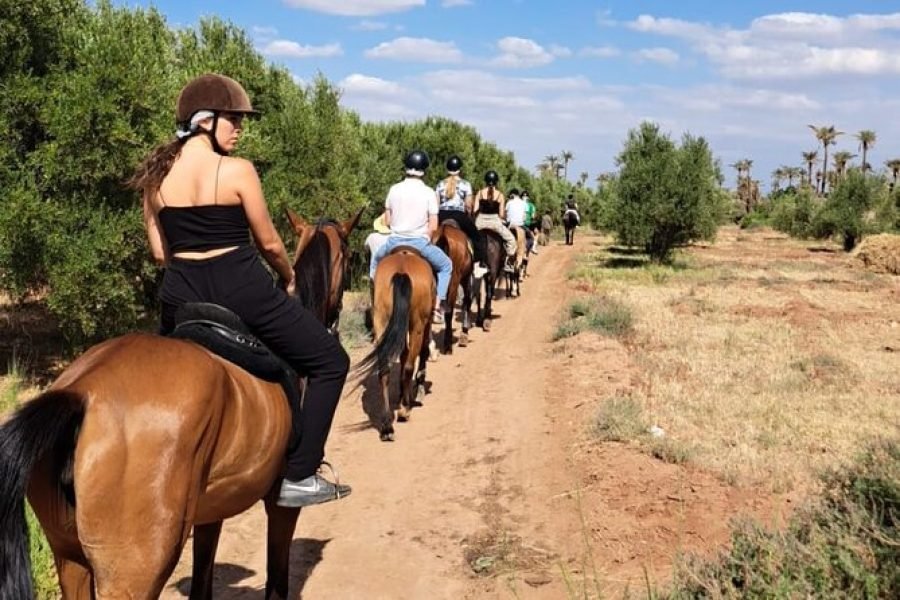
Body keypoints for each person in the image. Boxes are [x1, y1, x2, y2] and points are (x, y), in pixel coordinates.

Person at [129, 73, 351, 508]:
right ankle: (301, 474)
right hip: (241, 287)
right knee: (330, 360)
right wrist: (288, 276)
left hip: (181, 295)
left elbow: (159, 253)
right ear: (205, 120)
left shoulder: (155, 179)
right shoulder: (237, 170)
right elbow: (269, 242)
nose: (240, 128)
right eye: (234, 119)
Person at [368, 150, 453, 324]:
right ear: (424, 170)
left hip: (393, 241)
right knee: (446, 265)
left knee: (375, 262)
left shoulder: (394, 189)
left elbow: (388, 220)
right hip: (419, 243)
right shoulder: (429, 192)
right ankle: (437, 306)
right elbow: (433, 225)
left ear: (406, 167)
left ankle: (376, 302)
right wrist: (426, 236)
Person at [435, 155, 488, 278]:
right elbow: (469, 205)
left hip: (441, 215)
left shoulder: (440, 184)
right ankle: (477, 266)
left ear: (447, 168)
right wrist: (469, 214)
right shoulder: (465, 184)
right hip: (459, 215)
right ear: (460, 169)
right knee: (477, 237)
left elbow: (436, 204)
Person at [473, 170, 517, 272]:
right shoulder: (500, 195)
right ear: (496, 182)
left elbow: (475, 210)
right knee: (511, 240)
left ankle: (475, 262)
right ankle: (508, 263)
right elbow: (501, 214)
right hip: (495, 222)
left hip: (480, 222)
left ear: (485, 181)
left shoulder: (479, 193)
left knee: (470, 238)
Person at [522, 190, 538, 255]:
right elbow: (533, 216)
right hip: (527, 223)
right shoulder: (531, 205)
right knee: (536, 233)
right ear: (528, 197)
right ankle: (533, 247)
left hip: (517, 222)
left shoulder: (518, 203)